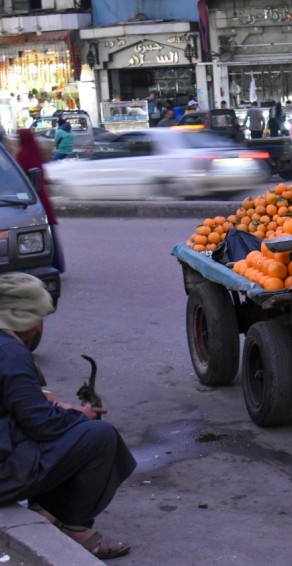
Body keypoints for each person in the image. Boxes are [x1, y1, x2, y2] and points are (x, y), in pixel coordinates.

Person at [0, 272, 136, 560]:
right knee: (100, 436)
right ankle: (75, 526)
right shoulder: (10, 353)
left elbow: (19, 405)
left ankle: (45, 507)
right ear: (23, 319)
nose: (40, 328)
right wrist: (81, 417)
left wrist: (60, 408)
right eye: (38, 319)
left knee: (66, 429)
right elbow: (40, 425)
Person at [16, 129, 65, 273]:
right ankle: (57, 265)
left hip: (33, 197)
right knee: (49, 233)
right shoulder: (35, 152)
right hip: (42, 195)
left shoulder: (22, 154)